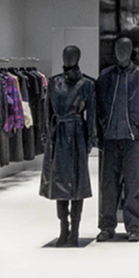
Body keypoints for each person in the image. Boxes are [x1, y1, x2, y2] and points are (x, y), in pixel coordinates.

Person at [95, 37, 139, 243]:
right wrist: (97, 134)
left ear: (131, 51)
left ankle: (135, 227)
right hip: (110, 140)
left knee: (134, 185)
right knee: (108, 186)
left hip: (134, 139)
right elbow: (96, 107)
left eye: (124, 48)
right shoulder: (105, 77)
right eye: (117, 48)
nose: (119, 52)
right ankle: (107, 226)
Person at [39, 45, 96, 248]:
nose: (67, 58)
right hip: (59, 135)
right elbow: (47, 111)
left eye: (71, 55)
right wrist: (46, 134)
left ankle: (75, 230)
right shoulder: (54, 82)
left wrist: (91, 139)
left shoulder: (87, 84)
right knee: (59, 183)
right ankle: (64, 228)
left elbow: (93, 115)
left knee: (78, 183)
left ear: (78, 58)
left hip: (77, 134)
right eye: (65, 55)